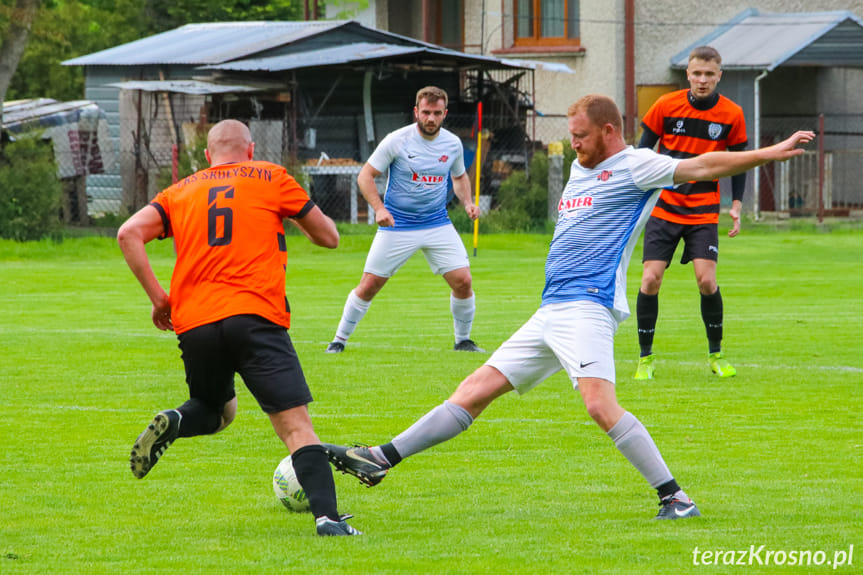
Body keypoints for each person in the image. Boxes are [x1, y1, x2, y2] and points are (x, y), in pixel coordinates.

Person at [322, 95, 814, 520]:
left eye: (580, 135)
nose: (573, 144)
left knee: (599, 405)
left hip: (587, 306)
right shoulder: (581, 167)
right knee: (473, 391)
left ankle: (676, 497)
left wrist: (772, 152)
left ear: (608, 131)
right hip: (550, 310)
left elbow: (705, 166)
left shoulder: (636, 164)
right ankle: (381, 458)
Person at [117, 120, 360, 537]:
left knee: (217, 411)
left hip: (195, 323)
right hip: (255, 315)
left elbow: (128, 233)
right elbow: (329, 237)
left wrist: (160, 298)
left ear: (208, 156)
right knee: (296, 426)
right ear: (250, 150)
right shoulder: (271, 176)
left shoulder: (180, 190)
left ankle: (176, 420)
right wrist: (286, 218)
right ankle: (329, 520)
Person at [325, 86, 483, 354]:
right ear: (416, 112)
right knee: (369, 285)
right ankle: (338, 341)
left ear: (445, 114)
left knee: (463, 281)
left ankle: (463, 341)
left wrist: (467, 202)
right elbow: (365, 176)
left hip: (437, 223)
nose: (430, 119)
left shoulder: (452, 143)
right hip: (398, 225)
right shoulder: (396, 140)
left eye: (436, 113)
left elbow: (459, 177)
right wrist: (379, 209)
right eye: (425, 112)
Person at [634, 46, 748, 380]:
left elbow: (740, 163)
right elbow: (642, 155)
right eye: (697, 73)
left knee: (706, 280)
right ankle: (645, 359)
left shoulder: (732, 114)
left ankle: (717, 354)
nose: (702, 80)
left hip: (703, 211)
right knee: (650, 279)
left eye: (709, 74)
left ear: (719, 76)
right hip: (664, 207)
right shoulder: (665, 105)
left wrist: (737, 204)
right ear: (687, 74)